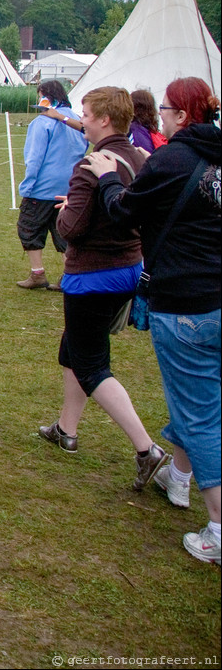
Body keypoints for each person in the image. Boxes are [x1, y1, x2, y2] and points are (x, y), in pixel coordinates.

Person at [85, 76, 221, 565]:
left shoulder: (173, 159)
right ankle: (178, 477)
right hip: (214, 296)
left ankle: (219, 528)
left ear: (182, 115)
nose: (158, 116)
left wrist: (105, 177)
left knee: (200, 412)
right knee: (202, 398)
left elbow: (124, 212)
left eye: (165, 109)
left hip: (188, 302)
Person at [37, 86, 169, 489]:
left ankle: (147, 450)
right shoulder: (141, 158)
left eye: (88, 115)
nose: (83, 121)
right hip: (128, 268)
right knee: (74, 347)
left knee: (92, 363)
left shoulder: (91, 165)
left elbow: (71, 228)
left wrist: (66, 212)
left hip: (94, 274)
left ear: (105, 119)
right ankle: (66, 428)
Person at [16, 80, 88, 290]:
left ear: (45, 96)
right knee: (64, 230)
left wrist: (28, 186)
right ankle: (69, 274)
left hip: (42, 188)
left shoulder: (42, 122)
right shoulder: (78, 120)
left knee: (29, 228)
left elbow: (34, 158)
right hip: (69, 187)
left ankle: (37, 272)